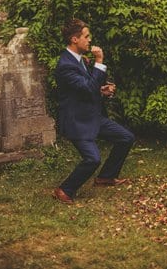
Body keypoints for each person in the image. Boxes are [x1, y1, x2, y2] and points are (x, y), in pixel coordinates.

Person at [53, 18, 135, 204]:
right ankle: (64, 189)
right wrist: (99, 61)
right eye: (86, 36)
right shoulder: (65, 65)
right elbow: (88, 87)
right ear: (74, 39)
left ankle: (106, 176)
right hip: (77, 121)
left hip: (93, 116)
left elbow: (86, 88)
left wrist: (101, 90)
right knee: (92, 159)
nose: (89, 40)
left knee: (126, 138)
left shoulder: (80, 59)